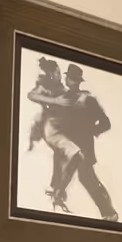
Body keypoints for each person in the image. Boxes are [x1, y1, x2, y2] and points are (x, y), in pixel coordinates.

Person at [43, 63, 116, 222]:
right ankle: (55, 208)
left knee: (87, 178)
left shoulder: (88, 99)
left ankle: (109, 214)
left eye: (72, 79)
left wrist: (90, 131)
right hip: (67, 148)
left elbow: (105, 123)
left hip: (83, 149)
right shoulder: (63, 98)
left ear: (73, 80)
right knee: (60, 177)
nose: (71, 82)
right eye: (71, 79)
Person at [23, 58, 70, 211]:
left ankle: (55, 189)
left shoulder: (61, 87)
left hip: (60, 124)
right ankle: (56, 190)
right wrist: (54, 100)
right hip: (49, 125)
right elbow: (31, 95)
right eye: (57, 72)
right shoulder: (45, 86)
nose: (59, 75)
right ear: (51, 74)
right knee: (61, 151)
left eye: (59, 72)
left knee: (62, 155)